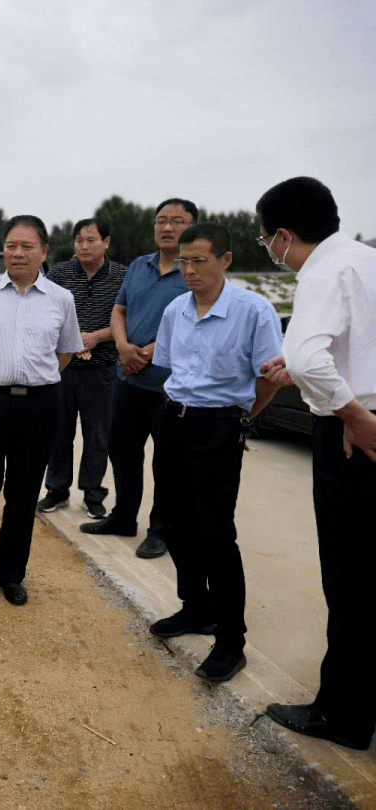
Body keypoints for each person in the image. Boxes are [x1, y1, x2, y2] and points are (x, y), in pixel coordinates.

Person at [254, 178, 376, 749]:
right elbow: (328, 352)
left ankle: (344, 715)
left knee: (350, 579)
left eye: (266, 241)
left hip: (353, 439)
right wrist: (301, 368)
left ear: (284, 235)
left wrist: (352, 414)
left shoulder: (321, 273)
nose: (271, 252)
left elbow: (309, 353)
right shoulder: (364, 260)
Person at [148, 223, 283, 683]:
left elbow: (268, 376)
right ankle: (196, 608)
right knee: (177, 525)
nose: (188, 270)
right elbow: (168, 366)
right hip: (172, 422)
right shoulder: (175, 310)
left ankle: (231, 641)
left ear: (225, 260)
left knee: (216, 534)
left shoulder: (253, 310)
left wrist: (243, 419)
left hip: (218, 428)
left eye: (198, 261)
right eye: (183, 261)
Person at [0, 216, 83, 607]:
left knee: (23, 496)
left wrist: (31, 382)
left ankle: (11, 575)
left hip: (39, 408)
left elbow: (66, 352)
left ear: (43, 251)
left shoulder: (61, 299)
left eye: (26, 246)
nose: (17, 253)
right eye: (11, 245)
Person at [79, 198, 196, 559]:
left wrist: (149, 352)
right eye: (161, 220)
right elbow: (120, 309)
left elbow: (195, 320)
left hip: (169, 387)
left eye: (177, 221)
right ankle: (124, 517)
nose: (167, 227)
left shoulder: (194, 271)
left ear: (192, 227)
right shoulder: (139, 266)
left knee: (167, 462)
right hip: (127, 380)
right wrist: (123, 346)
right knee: (123, 452)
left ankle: (161, 529)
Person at [39, 219, 128, 519]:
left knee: (98, 435)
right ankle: (56, 489)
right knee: (57, 432)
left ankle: (93, 494)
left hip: (103, 370)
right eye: (79, 240)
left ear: (106, 242)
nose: (84, 246)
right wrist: (72, 340)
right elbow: (44, 313)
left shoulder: (121, 276)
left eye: (91, 240)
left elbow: (127, 319)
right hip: (62, 367)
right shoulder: (59, 273)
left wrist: (97, 337)